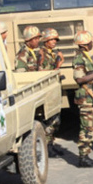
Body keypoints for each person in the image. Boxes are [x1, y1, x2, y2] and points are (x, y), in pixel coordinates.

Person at [72, 30, 93, 168]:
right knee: (86, 128)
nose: (92, 44)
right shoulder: (79, 58)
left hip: (91, 97)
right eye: (90, 42)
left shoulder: (86, 57)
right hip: (85, 98)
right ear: (85, 44)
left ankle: (86, 155)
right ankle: (83, 157)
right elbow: (79, 78)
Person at [38, 28, 64, 157]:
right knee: (49, 121)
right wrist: (58, 65)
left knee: (56, 120)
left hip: (54, 88)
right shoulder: (42, 54)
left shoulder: (52, 53)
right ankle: (48, 147)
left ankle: (51, 145)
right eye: (51, 40)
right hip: (47, 90)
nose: (54, 42)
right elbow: (42, 72)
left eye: (55, 40)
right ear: (45, 41)